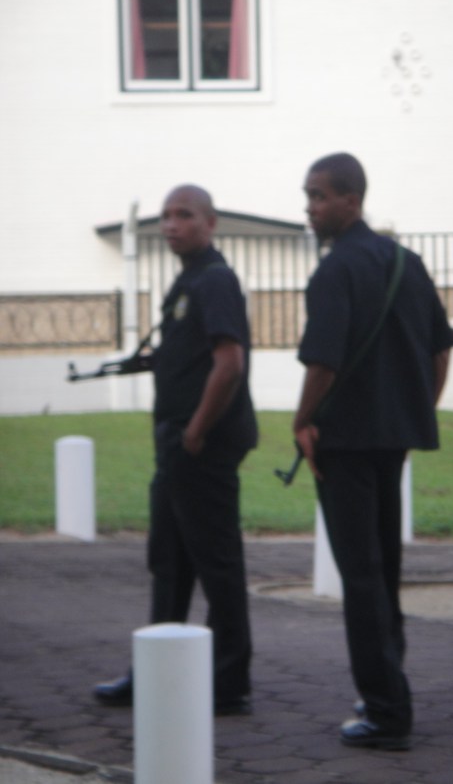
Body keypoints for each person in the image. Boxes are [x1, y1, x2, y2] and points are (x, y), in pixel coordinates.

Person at [293, 153, 453, 749]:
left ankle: (385, 711)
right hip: (393, 441)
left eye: (319, 196)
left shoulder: (335, 271)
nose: (310, 207)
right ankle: (388, 688)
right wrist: (416, 413)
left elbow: (323, 362)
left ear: (352, 201)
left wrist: (302, 421)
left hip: (348, 444)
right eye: (307, 196)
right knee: (385, 572)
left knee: (360, 575)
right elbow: (439, 353)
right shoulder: (406, 264)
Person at [94, 184, 258, 716]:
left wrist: (194, 431)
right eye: (165, 216)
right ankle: (156, 671)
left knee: (216, 564)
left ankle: (228, 683)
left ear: (210, 223)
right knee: (168, 560)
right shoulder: (188, 281)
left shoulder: (215, 280)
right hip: (179, 445)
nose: (170, 224)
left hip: (201, 445)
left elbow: (229, 362)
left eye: (184, 215)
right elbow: (192, 352)